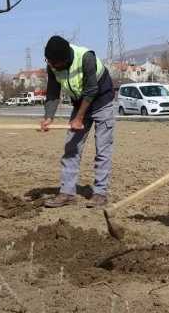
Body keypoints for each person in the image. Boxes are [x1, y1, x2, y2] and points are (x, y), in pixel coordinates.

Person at [39, 35, 115, 209]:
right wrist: (48, 117)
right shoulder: (52, 65)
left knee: (103, 149)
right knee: (71, 148)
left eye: (52, 62)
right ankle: (67, 192)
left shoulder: (86, 58)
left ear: (64, 60)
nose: (50, 64)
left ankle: (100, 193)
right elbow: (52, 91)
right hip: (80, 102)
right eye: (47, 60)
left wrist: (79, 117)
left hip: (101, 101)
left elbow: (91, 89)